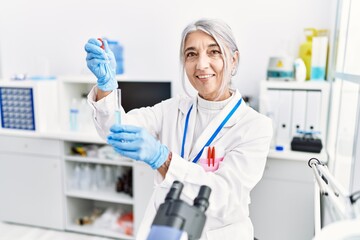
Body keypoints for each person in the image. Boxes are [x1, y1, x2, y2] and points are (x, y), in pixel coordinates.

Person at [85, 18, 272, 240]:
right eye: (191, 54)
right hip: (166, 230)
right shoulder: (173, 109)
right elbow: (116, 132)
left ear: (233, 59)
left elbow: (224, 197)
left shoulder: (254, 126)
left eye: (214, 52)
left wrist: (164, 159)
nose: (201, 64)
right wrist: (107, 88)